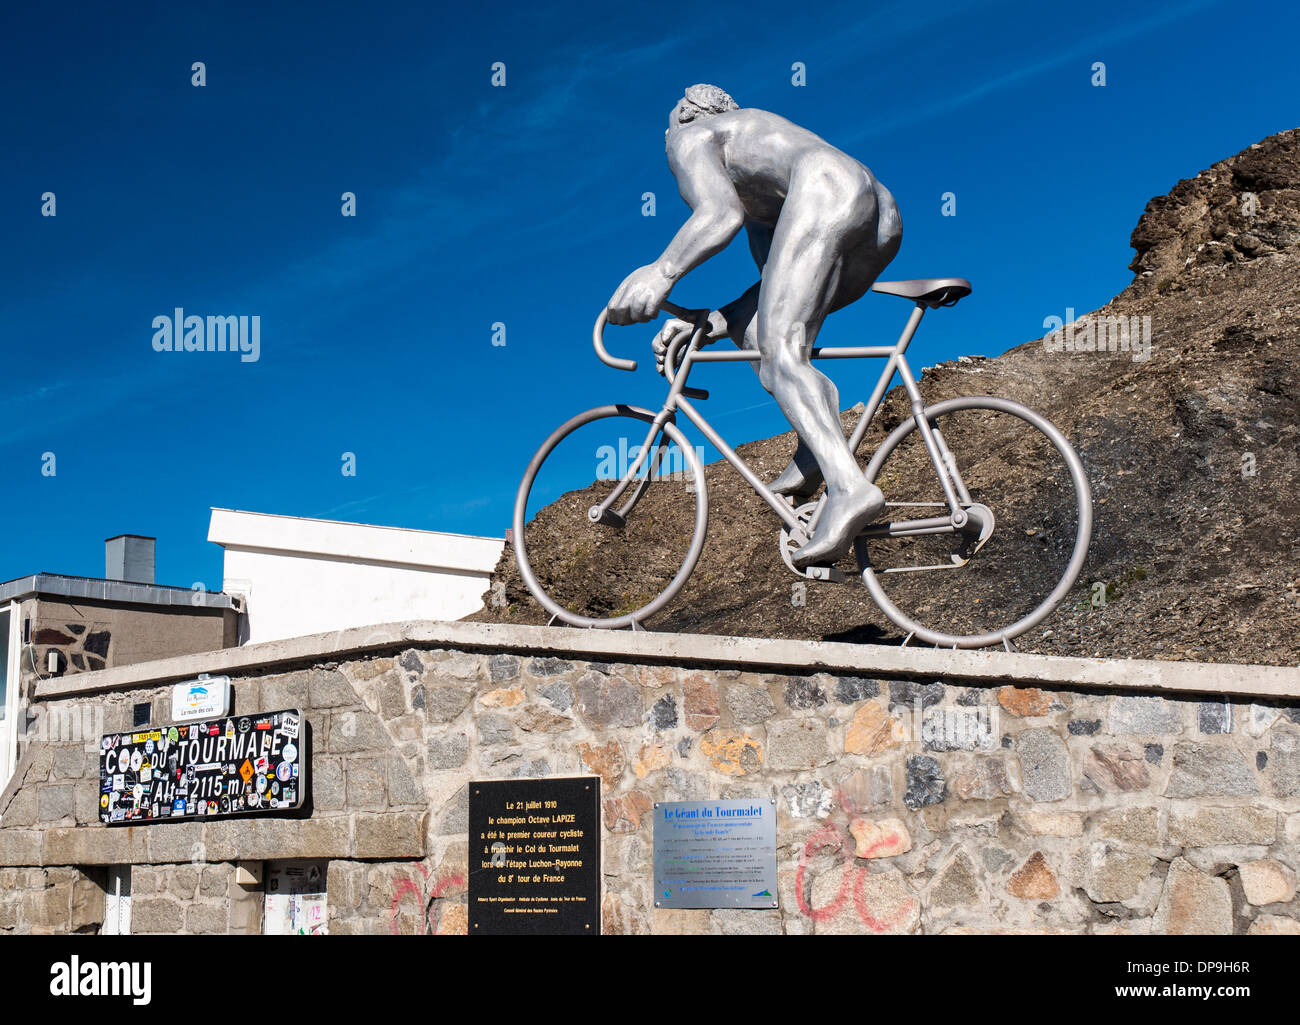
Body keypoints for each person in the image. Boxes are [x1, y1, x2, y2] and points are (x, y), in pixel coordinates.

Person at [605, 84, 903, 567]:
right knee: (773, 341)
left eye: (668, 125)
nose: (666, 140)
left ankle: (849, 488)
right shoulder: (765, 194)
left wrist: (659, 273)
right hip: (878, 211)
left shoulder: (693, 135)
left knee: (781, 351)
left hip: (830, 187)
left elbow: (716, 214)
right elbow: (768, 296)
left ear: (685, 114)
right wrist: (707, 323)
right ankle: (816, 451)